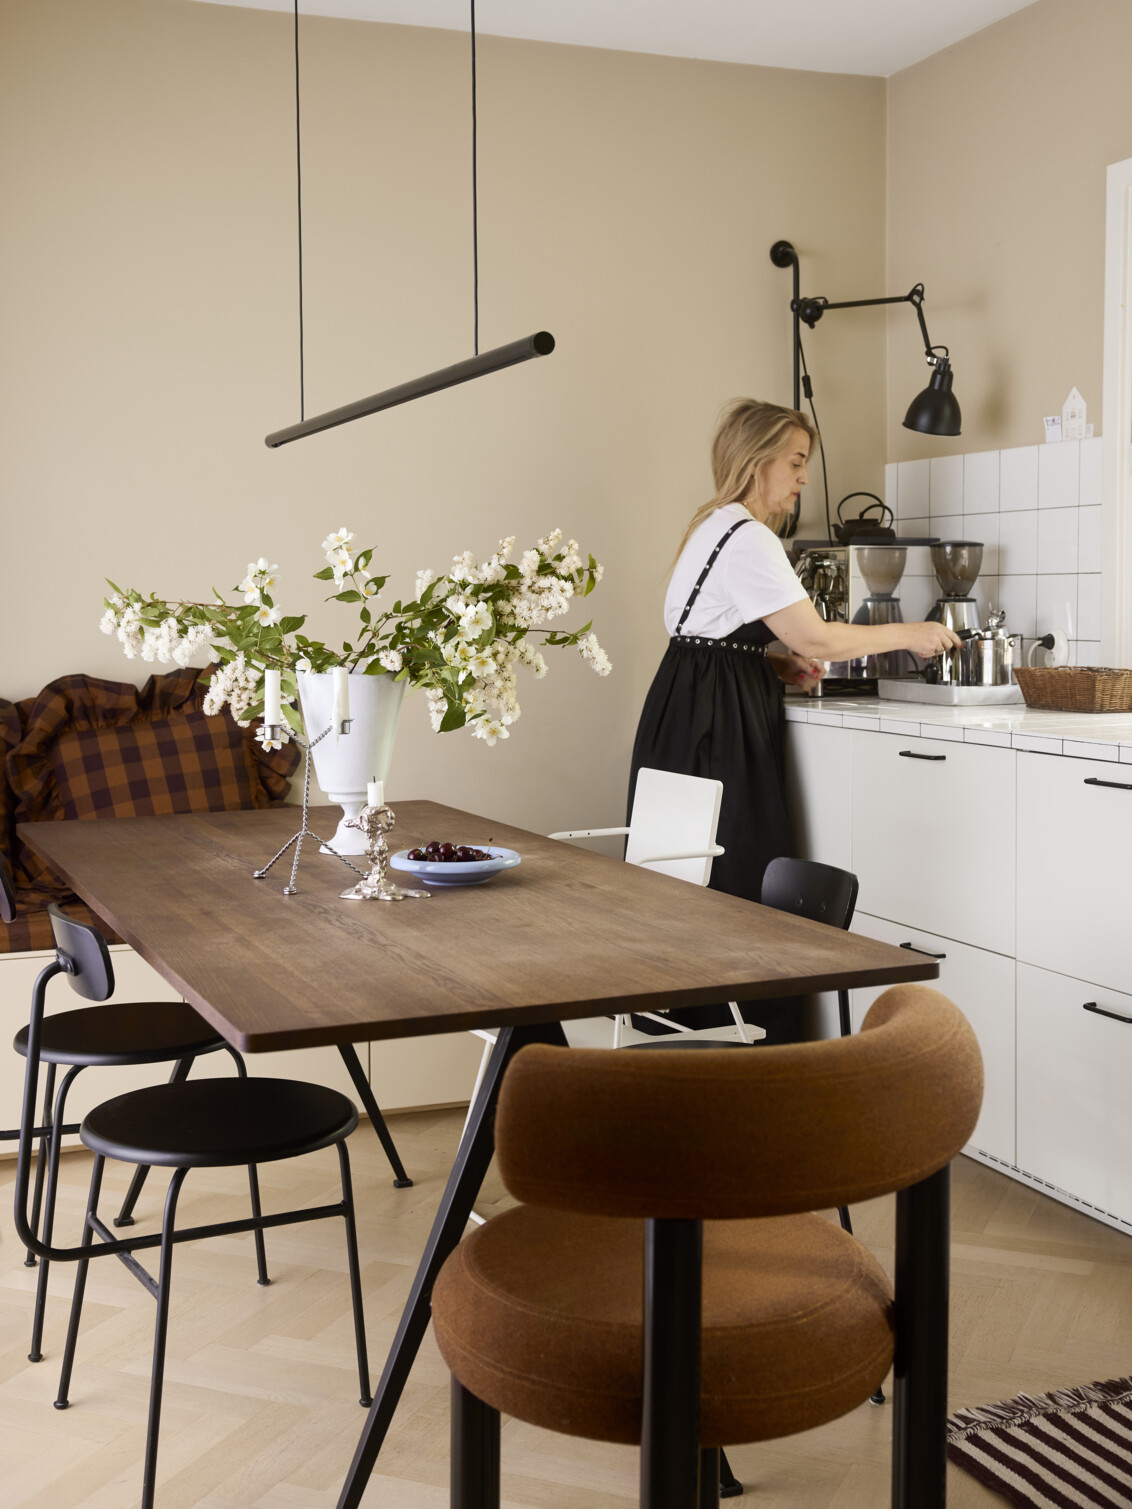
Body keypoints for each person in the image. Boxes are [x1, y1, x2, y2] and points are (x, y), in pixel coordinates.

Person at [628, 399, 961, 1033]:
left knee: (682, 880)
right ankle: (744, 1049)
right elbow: (818, 638)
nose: (804, 477)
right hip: (717, 724)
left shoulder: (713, 526)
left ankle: (682, 1042)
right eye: (796, 461)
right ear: (757, 462)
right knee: (736, 880)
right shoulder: (750, 537)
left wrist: (772, 664)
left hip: (685, 709)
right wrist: (911, 633)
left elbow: (708, 637)